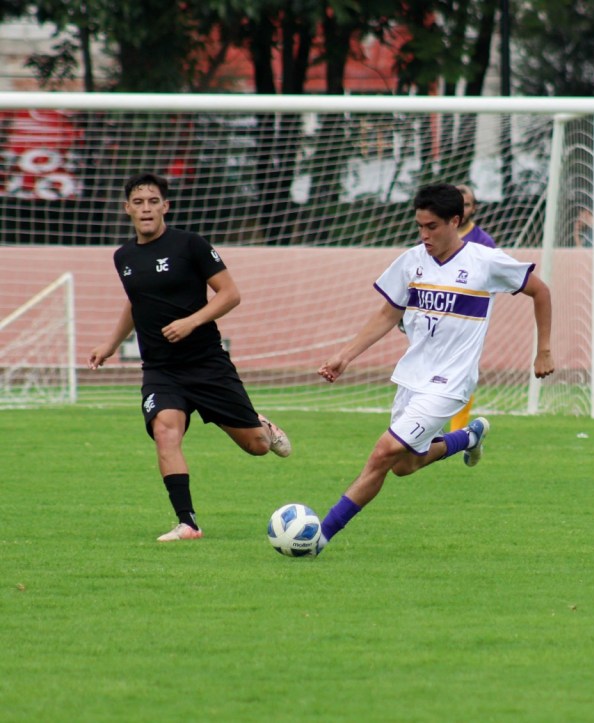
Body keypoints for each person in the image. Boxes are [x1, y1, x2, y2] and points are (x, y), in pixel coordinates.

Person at [315, 183, 553, 552]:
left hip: (450, 383)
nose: (424, 235)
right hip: (412, 377)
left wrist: (544, 351)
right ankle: (467, 437)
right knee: (403, 466)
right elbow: (387, 312)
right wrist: (345, 356)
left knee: (381, 454)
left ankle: (318, 536)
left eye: (432, 227)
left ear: (455, 221)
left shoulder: (485, 261)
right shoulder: (412, 261)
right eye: (419, 226)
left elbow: (541, 291)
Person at [88, 173, 292, 543]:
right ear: (127, 209)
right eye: (138, 202)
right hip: (161, 370)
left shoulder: (191, 245)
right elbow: (137, 303)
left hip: (206, 364)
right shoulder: (124, 257)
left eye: (153, 201)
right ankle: (188, 523)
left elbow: (230, 294)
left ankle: (261, 424)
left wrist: (191, 321)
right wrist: (111, 345)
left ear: (165, 206)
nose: (146, 209)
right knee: (165, 430)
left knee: (257, 447)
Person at [450, 183, 497, 430]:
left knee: (462, 372)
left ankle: (458, 429)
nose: (462, 208)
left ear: (474, 208)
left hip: (467, 318)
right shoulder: (436, 236)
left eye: (466, 203)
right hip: (437, 317)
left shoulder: (483, 242)